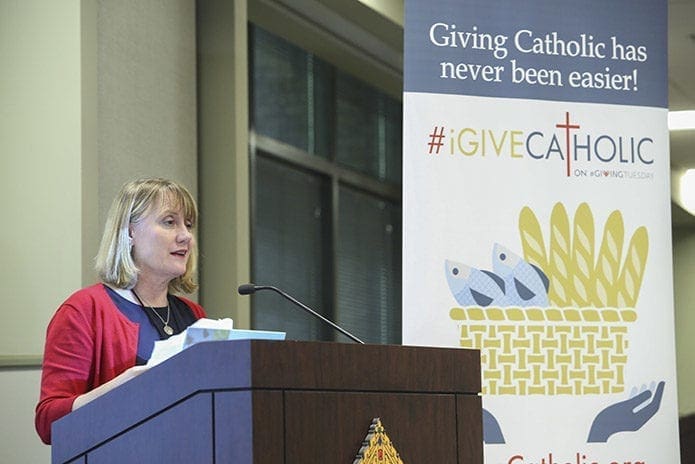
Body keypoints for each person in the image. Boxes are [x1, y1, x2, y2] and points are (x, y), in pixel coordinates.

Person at [35, 177, 207, 445]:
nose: (186, 236)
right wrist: (122, 388)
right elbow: (49, 423)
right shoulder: (83, 311)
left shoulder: (194, 315)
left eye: (188, 224)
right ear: (129, 232)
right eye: (169, 222)